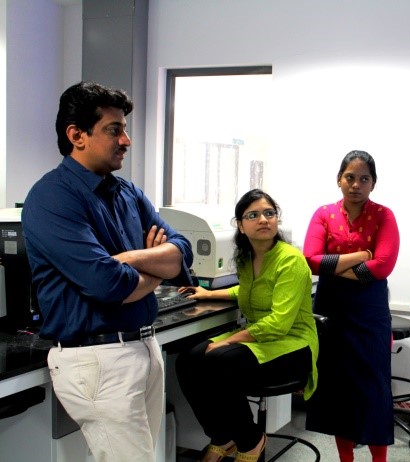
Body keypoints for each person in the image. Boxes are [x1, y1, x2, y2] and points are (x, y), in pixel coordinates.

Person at [22, 81, 194, 462]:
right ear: (76, 135)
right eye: (114, 130)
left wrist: (132, 260)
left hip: (144, 346)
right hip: (98, 361)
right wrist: (156, 268)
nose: (126, 140)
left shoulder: (126, 192)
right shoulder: (53, 197)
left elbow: (182, 252)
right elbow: (107, 284)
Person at [175, 188, 319, 462]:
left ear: (276, 220)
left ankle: (250, 440)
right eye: (253, 215)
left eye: (269, 213)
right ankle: (222, 437)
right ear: (241, 225)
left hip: (293, 345)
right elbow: (246, 291)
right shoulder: (245, 258)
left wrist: (228, 341)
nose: (263, 219)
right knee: (188, 360)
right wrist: (208, 293)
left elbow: (278, 323)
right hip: (261, 340)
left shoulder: (290, 260)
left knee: (219, 361)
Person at [303, 150, 400, 462]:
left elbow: (383, 265)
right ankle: (346, 459)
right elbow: (310, 260)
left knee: (373, 391)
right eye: (350, 177)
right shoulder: (323, 214)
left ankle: (379, 460)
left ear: (373, 184)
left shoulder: (384, 215)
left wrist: (337, 267)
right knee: (338, 390)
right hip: (333, 312)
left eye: (364, 179)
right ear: (339, 180)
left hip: (369, 313)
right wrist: (360, 257)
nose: (356, 184)